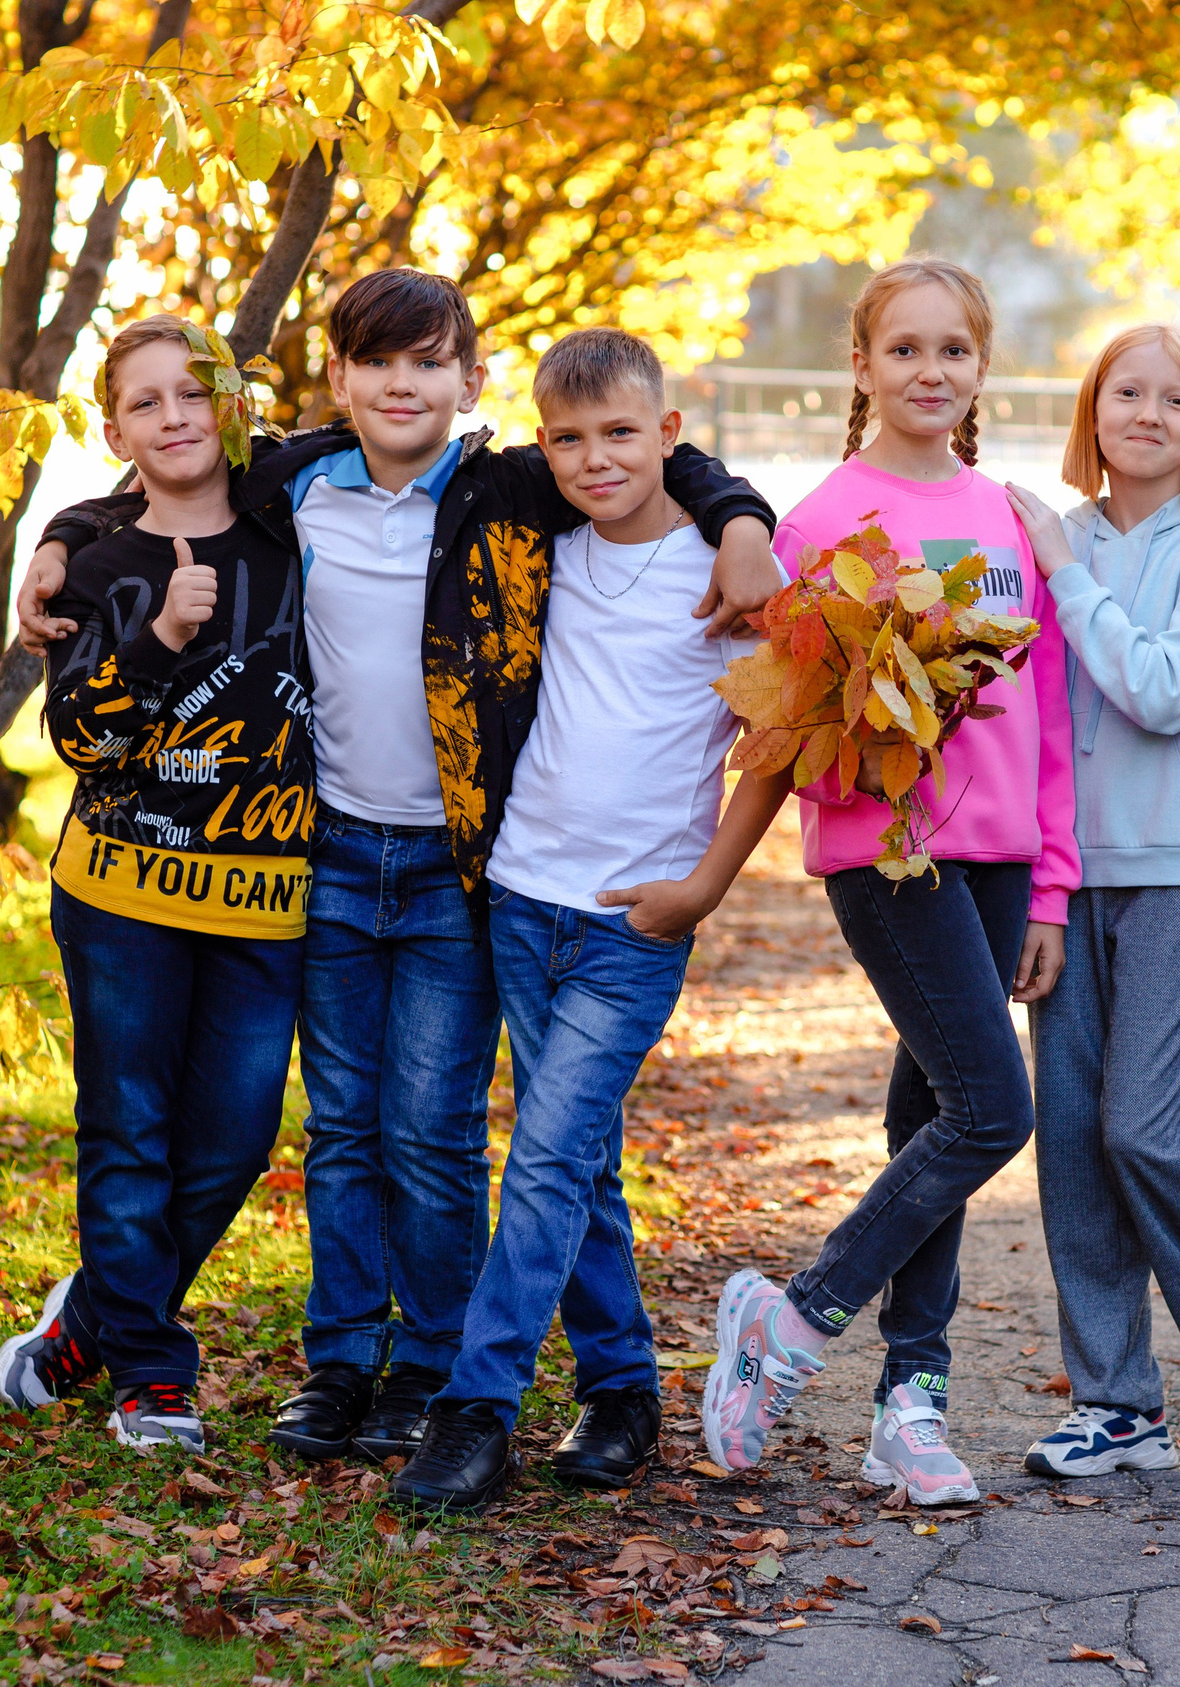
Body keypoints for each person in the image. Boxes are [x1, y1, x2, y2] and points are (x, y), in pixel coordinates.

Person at [13, 270, 780, 1466]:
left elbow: (659, 460)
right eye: (378, 364)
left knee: (431, 1129)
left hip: (456, 870)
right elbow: (167, 482)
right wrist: (59, 545)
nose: (402, 384)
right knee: (342, 1128)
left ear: (471, 381)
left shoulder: (514, 487)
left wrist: (741, 524)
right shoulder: (295, 481)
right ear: (340, 383)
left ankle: (428, 1365)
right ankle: (339, 1363)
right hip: (322, 852)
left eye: (429, 362)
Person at [389, 329, 796, 1511]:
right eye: (567, 439)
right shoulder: (541, 547)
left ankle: (479, 1407)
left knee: (549, 1156)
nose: (592, 458)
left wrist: (705, 889)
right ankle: (623, 1389)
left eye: (621, 432)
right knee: (581, 1167)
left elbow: (774, 751)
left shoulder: (730, 578)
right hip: (522, 900)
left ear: (671, 433)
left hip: (638, 922)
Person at [699, 256, 1078, 1507]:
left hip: (999, 857)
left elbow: (1053, 715)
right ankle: (795, 1318)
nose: (929, 370)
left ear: (980, 369)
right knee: (991, 1111)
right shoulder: (821, 523)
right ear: (859, 367)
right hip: (888, 853)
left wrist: (1049, 889)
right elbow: (793, 721)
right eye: (903, 349)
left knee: (934, 1123)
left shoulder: (1012, 516)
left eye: (952, 350)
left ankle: (908, 1403)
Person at [0, 315, 311, 1453]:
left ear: (230, 402)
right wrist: (160, 640)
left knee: (231, 1140)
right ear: (112, 423)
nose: (173, 417)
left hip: (266, 901)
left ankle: (90, 1321)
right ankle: (152, 1373)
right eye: (144, 402)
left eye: (192, 394)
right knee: (128, 1127)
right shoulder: (103, 561)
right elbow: (78, 738)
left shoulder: (292, 516)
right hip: (122, 893)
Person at [999, 325, 1180, 1479]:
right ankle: (1118, 1400)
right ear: (1092, 412)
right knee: (1072, 1141)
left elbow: (1165, 692)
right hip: (1059, 872)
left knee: (1138, 1127)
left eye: (1176, 400)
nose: (1149, 413)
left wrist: (1067, 579)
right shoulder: (1047, 539)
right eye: (1127, 392)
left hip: (1175, 861)